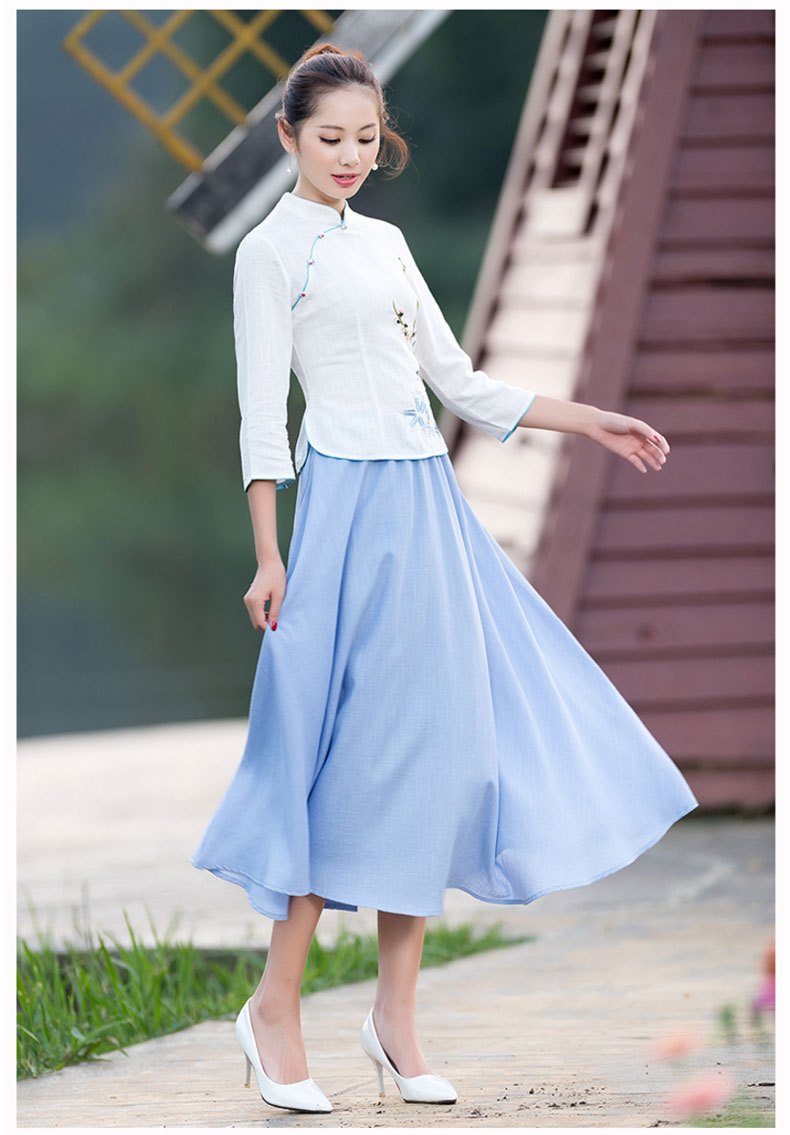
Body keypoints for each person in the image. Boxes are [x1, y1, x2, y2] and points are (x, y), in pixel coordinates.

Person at [191, 42, 699, 1115]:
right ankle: (274, 1008)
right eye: (330, 138)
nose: (350, 157)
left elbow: (458, 381)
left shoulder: (385, 243)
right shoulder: (270, 254)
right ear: (287, 137)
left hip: (427, 510)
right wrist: (270, 552)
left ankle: (396, 1017)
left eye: (367, 139)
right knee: (337, 762)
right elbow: (260, 416)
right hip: (341, 515)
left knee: (438, 758)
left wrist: (590, 420)